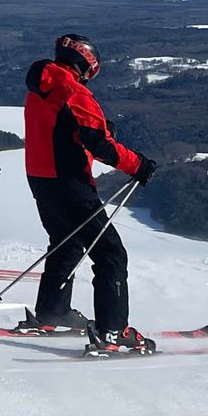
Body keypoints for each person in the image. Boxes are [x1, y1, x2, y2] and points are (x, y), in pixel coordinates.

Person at [19, 33, 159, 354]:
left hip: (41, 178)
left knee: (66, 243)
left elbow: (63, 129)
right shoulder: (74, 92)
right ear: (85, 62)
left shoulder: (41, 86)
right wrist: (138, 164)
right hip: (70, 182)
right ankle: (113, 331)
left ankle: (52, 313)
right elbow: (99, 145)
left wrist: (98, 127)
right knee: (110, 254)